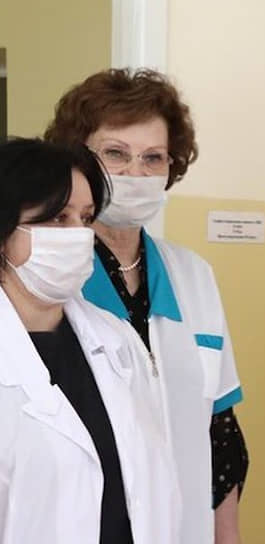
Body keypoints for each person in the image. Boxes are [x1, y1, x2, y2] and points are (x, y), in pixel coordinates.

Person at [44, 69, 248, 544]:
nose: (135, 173)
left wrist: (227, 536)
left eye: (153, 158)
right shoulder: (50, 277)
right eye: (116, 153)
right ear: (80, 159)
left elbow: (222, 435)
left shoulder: (194, 276)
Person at [0, 138, 181, 543]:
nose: (79, 235)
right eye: (57, 219)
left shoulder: (117, 341)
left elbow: (154, 489)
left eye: (85, 219)